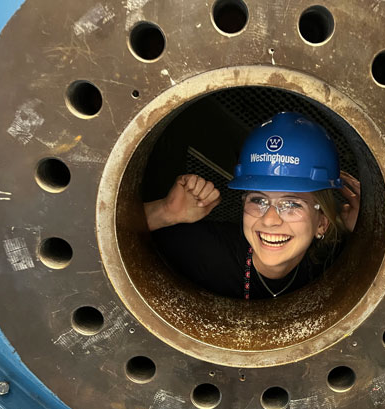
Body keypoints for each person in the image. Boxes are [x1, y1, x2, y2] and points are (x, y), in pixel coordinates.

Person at [144, 112, 360, 299]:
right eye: (258, 200)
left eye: (292, 204)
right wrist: (164, 212)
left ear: (322, 224)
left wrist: (364, 230)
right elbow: (115, 240)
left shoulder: (334, 260)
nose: (269, 219)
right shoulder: (205, 250)